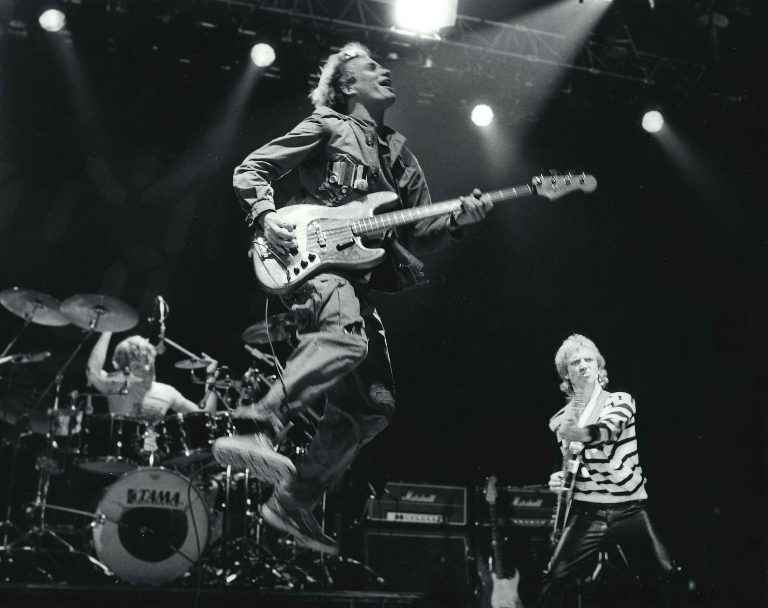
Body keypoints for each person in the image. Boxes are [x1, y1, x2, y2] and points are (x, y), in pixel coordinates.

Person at [212, 41, 493, 554]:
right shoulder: (327, 125)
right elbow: (252, 168)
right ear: (345, 85)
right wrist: (266, 216)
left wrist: (459, 220)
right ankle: (256, 423)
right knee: (346, 339)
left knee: (372, 406)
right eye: (372, 67)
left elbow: (421, 230)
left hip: (358, 281)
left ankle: (293, 501)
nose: (386, 71)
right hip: (312, 263)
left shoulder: (400, 154)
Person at [540, 334, 682, 606]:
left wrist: (580, 433)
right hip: (588, 511)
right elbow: (577, 466)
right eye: (575, 362)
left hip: (628, 509)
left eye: (589, 360)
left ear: (599, 366)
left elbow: (607, 431)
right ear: (566, 374)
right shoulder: (561, 420)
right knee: (555, 577)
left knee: (665, 576)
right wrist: (562, 480)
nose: (583, 365)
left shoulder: (620, 400)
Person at [86, 331, 218, 423]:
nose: (147, 368)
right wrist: (108, 329)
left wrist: (211, 375)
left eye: (148, 361)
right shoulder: (117, 385)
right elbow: (92, 372)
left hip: (155, 454)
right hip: (122, 453)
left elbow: (206, 416)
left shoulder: (167, 392)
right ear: (126, 369)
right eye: (138, 366)